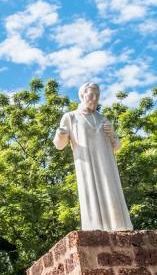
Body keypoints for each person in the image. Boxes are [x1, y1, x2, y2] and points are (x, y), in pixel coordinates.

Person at [53, 81, 133, 231]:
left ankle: (119, 225)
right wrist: (61, 133)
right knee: (91, 194)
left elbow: (117, 147)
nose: (95, 98)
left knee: (112, 193)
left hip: (107, 164)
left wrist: (112, 135)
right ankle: (95, 227)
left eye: (97, 95)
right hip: (87, 165)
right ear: (82, 96)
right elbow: (59, 145)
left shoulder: (103, 119)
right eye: (92, 95)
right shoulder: (70, 117)